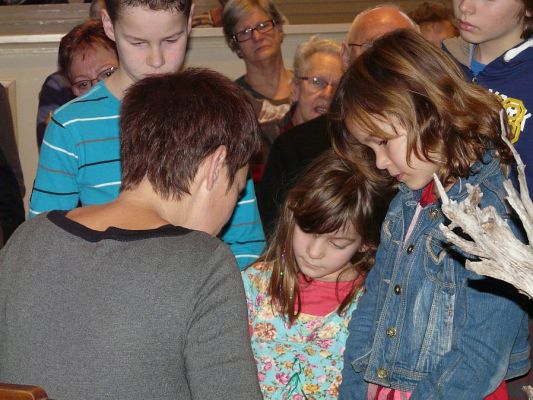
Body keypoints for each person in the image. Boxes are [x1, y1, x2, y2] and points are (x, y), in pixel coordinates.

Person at [0, 68, 263, 400]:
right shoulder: (204, 263)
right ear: (216, 165)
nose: (231, 209)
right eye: (237, 189)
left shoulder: (28, 239)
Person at [330, 29, 530, 399]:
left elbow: (481, 355)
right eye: (370, 148)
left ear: (431, 112)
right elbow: (370, 314)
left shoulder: (491, 213)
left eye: (384, 142)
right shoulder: (405, 201)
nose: (380, 162)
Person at [29, 0, 265, 269]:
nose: (157, 60)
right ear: (109, 25)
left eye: (171, 40)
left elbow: (247, 245)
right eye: (138, 42)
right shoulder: (72, 125)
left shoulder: (219, 114)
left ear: (189, 22)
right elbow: (43, 243)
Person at [242, 150, 394, 399]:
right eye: (307, 231)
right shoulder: (254, 286)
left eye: (337, 243)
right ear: (292, 214)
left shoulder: (374, 301)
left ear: (366, 243)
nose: (314, 253)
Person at [258, 5, 416, 238]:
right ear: (345, 56)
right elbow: (276, 235)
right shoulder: (293, 147)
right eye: (372, 47)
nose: (385, 61)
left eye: (399, 50)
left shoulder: (427, 141)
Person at [253, 35, 342, 183]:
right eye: (317, 82)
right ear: (294, 88)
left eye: (338, 86)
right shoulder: (266, 140)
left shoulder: (345, 144)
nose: (328, 94)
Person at [36, 0, 110, 149]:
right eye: (83, 84)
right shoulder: (58, 85)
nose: (97, 89)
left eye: (107, 74)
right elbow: (50, 147)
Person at [222, 0, 292, 124]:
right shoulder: (231, 101)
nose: (257, 37)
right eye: (245, 32)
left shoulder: (309, 87)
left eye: (263, 26)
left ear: (279, 29)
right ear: (235, 46)